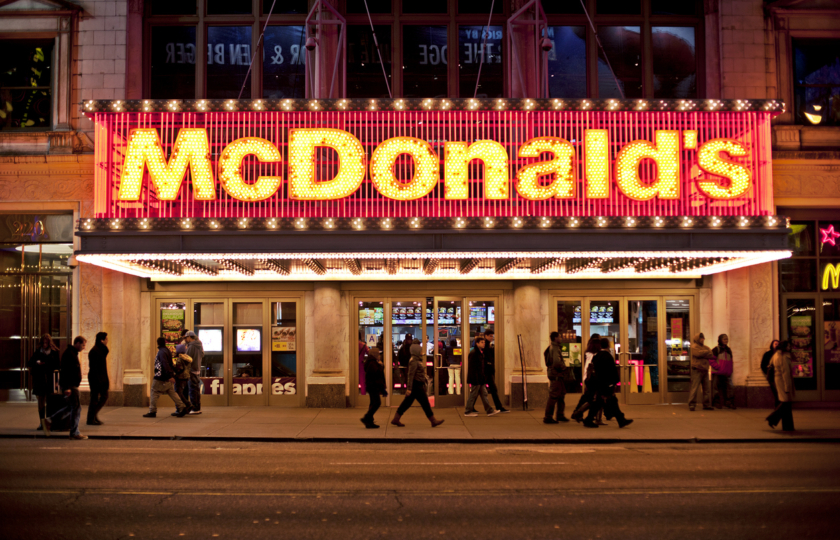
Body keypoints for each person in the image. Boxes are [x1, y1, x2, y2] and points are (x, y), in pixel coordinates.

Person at [391, 340, 444, 427]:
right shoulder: (413, 361)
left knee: (407, 403)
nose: (422, 351)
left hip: (417, 384)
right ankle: (433, 420)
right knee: (424, 403)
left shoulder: (416, 360)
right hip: (416, 385)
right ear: (416, 351)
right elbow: (410, 375)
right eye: (420, 350)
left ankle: (396, 419)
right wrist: (409, 388)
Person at [583, 338, 633, 428]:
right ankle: (589, 419)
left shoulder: (597, 355)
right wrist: (614, 382)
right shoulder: (607, 356)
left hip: (600, 382)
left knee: (603, 401)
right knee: (608, 400)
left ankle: (620, 419)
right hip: (606, 383)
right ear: (608, 345)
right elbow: (612, 371)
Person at [144, 337, 186, 418]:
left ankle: (152, 411)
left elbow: (164, 364)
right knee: (172, 392)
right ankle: (182, 407)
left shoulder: (161, 352)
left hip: (160, 376)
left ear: (158, 343)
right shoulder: (167, 350)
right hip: (166, 376)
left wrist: (169, 376)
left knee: (154, 391)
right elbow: (170, 363)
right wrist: (171, 374)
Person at [27, 334, 60, 430]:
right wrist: (37, 364)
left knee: (50, 403)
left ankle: (48, 422)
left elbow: (57, 367)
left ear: (49, 343)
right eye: (43, 343)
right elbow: (30, 363)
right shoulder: (38, 352)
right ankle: (42, 422)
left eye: (46, 343)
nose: (44, 344)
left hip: (50, 380)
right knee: (41, 403)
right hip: (40, 380)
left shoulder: (54, 353)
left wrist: (57, 382)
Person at [464, 335, 499, 417]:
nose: (483, 344)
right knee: (473, 394)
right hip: (476, 379)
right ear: (477, 343)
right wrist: (476, 379)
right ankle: (468, 411)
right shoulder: (474, 353)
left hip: (480, 378)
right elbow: (473, 368)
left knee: (484, 394)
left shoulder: (479, 353)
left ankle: (489, 410)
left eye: (484, 342)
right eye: (482, 342)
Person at [60, 336, 88, 440]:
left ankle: (49, 420)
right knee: (76, 408)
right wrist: (66, 387)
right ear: (77, 343)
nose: (84, 347)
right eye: (83, 345)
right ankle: (74, 432)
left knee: (72, 407)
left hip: (72, 385)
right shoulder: (69, 354)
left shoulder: (72, 353)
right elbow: (65, 372)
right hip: (71, 386)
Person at [766, 341, 795, 431]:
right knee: (786, 402)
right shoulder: (784, 357)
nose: (790, 347)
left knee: (786, 403)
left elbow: (770, 365)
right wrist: (787, 387)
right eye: (788, 346)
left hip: (778, 379)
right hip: (783, 381)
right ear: (784, 347)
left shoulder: (776, 354)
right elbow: (785, 373)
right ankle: (772, 419)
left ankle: (788, 426)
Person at [544, 331, 570, 424]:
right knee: (554, 396)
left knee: (561, 394)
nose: (561, 338)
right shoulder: (555, 348)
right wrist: (564, 368)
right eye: (559, 337)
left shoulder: (554, 347)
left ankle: (560, 415)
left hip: (557, 375)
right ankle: (548, 417)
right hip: (556, 375)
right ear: (555, 338)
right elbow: (557, 362)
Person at [86, 332, 110, 426]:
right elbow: (95, 368)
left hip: (100, 377)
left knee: (101, 397)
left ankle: (93, 416)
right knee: (96, 398)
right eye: (106, 339)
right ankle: (91, 417)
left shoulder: (101, 350)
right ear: (102, 340)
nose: (107, 341)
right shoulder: (95, 351)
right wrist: (99, 380)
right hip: (96, 378)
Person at [483, 329, 509, 413]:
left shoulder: (488, 345)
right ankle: (499, 407)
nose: (492, 337)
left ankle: (499, 406)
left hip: (488, 371)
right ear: (486, 336)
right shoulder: (485, 346)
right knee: (489, 389)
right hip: (486, 371)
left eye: (492, 336)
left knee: (489, 389)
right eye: (490, 336)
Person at [688, 333, 715, 411]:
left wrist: (703, 352)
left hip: (705, 370)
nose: (702, 340)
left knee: (706, 389)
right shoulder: (694, 347)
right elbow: (698, 354)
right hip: (697, 369)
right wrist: (705, 352)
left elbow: (711, 354)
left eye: (703, 338)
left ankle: (706, 404)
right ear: (697, 339)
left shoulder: (705, 347)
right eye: (701, 338)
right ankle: (692, 404)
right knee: (694, 388)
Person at [361, 348, 386, 428]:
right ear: (375, 355)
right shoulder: (373, 363)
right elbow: (377, 375)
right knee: (377, 403)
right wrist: (381, 366)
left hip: (371, 386)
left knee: (373, 403)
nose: (379, 356)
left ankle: (369, 422)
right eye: (378, 354)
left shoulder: (371, 362)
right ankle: (366, 418)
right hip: (373, 386)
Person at [710, 334, 735, 409]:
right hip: (717, 372)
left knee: (730, 387)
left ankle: (729, 402)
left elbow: (730, 361)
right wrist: (718, 367)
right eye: (724, 339)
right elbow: (711, 360)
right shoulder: (716, 349)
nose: (725, 340)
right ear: (720, 340)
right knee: (715, 388)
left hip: (726, 373)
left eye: (726, 339)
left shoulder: (728, 350)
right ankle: (716, 402)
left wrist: (730, 370)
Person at [184, 331, 204, 415]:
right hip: (197, 369)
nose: (185, 339)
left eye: (186, 338)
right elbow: (202, 355)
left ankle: (195, 408)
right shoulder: (199, 345)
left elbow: (187, 358)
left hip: (191, 369)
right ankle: (197, 407)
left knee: (192, 390)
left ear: (189, 337)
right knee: (196, 390)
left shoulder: (191, 346)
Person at [172, 344, 193, 415]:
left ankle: (186, 405)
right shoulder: (187, 359)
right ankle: (184, 408)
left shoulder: (180, 359)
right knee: (182, 393)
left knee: (178, 393)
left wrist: (173, 366)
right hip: (186, 377)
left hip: (180, 378)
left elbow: (179, 369)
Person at [760, 339, 781, 406]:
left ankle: (779, 405)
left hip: (779, 375)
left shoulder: (780, 354)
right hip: (772, 376)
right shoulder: (767, 354)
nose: (777, 345)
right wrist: (767, 372)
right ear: (772, 345)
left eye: (778, 344)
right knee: (776, 391)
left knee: (780, 392)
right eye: (775, 344)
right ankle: (778, 405)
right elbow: (763, 365)